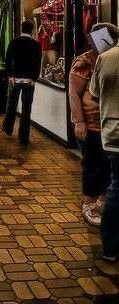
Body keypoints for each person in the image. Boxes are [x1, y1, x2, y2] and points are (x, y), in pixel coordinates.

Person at [68, 23, 117, 226]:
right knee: (91, 164)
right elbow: (74, 94)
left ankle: (103, 201)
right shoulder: (84, 62)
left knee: (106, 165)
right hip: (89, 123)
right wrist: (79, 122)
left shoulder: (107, 59)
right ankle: (88, 204)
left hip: (105, 124)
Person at [90, 32, 119, 262]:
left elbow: (94, 96)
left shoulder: (105, 57)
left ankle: (110, 246)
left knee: (117, 186)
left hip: (111, 133)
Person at [1, 20, 42, 145]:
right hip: (29, 80)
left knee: (12, 104)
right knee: (26, 108)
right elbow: (38, 63)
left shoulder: (14, 42)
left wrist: (10, 75)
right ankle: (23, 137)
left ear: (21, 29)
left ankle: (8, 127)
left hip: (16, 79)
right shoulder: (36, 45)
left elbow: (8, 60)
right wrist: (34, 78)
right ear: (32, 30)